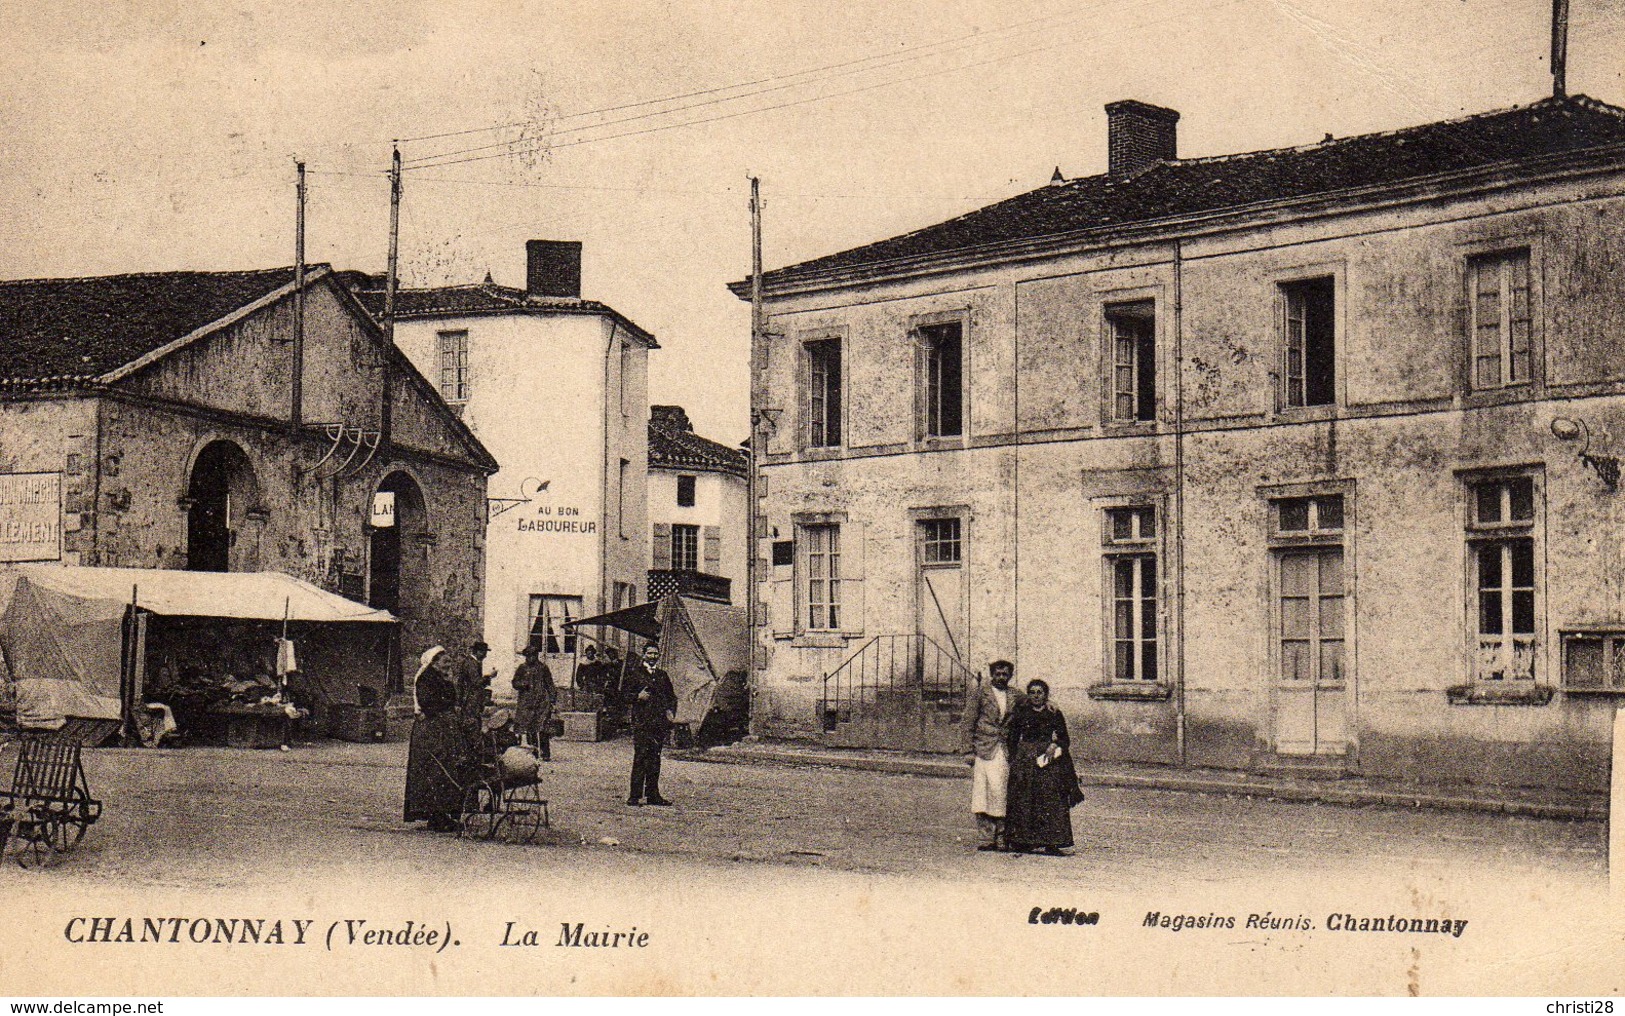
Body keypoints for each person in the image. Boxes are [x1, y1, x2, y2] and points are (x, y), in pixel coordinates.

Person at [1004, 678, 1084, 855]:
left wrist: (1054, 745)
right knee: (1025, 799)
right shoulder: (1022, 713)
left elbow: (1065, 738)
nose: (1036, 696)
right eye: (1032, 692)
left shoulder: (1054, 713)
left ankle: (1052, 842)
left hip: (1047, 760)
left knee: (1050, 799)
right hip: (1026, 759)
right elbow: (1012, 737)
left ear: (1046, 694)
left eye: (1039, 692)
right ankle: (1024, 841)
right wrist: (1015, 757)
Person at [403, 646, 468, 833]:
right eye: (444, 662)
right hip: (430, 731)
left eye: (449, 662)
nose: (448, 665)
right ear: (434, 662)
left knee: (444, 769)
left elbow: (450, 698)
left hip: (440, 728)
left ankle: (441, 814)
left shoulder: (441, 678)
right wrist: (447, 705)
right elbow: (427, 703)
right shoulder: (426, 677)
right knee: (435, 769)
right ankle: (436, 816)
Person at [961, 659, 1020, 852]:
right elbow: (968, 722)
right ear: (992, 675)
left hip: (1003, 750)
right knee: (983, 793)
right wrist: (968, 750)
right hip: (984, 748)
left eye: (1005, 674)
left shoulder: (1015, 695)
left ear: (1009, 676)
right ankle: (986, 837)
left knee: (1001, 792)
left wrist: (1050, 702)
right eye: (998, 674)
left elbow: (1035, 700)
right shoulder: (980, 694)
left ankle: (1002, 836)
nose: (1001, 677)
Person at [623, 641, 676, 806]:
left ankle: (653, 795)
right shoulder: (634, 673)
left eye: (655, 654)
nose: (653, 657)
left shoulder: (662, 675)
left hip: (658, 723)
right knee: (640, 757)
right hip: (642, 722)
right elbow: (623, 695)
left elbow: (671, 697)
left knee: (655, 758)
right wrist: (637, 697)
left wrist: (670, 711)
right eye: (650, 653)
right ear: (643, 654)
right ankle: (634, 795)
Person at [511, 642, 557, 761]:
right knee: (530, 728)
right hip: (526, 703)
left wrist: (552, 700)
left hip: (542, 703)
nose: (531, 658)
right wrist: (522, 685)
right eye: (529, 655)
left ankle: (545, 753)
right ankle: (533, 752)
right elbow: (514, 683)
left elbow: (550, 684)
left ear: (537, 655)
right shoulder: (522, 668)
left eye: (533, 655)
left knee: (543, 728)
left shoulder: (543, 668)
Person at [455, 640, 492, 727]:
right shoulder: (471, 663)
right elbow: (475, 682)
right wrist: (489, 676)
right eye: (484, 652)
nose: (485, 655)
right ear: (478, 652)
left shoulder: (474, 662)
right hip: (470, 700)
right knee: (471, 723)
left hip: (472, 700)